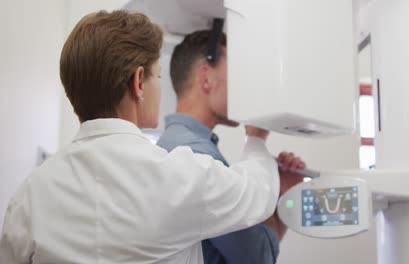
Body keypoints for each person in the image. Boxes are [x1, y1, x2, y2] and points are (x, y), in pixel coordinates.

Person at [0, 10, 294, 264]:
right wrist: (255, 140)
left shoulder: (29, 194)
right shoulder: (176, 175)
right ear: (139, 81)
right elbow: (257, 192)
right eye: (158, 77)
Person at [157, 30, 305, 264]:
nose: (243, 86)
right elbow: (259, 256)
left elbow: (257, 246)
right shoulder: (196, 155)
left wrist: (278, 193)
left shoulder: (175, 145)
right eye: (236, 73)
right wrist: (255, 141)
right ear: (206, 78)